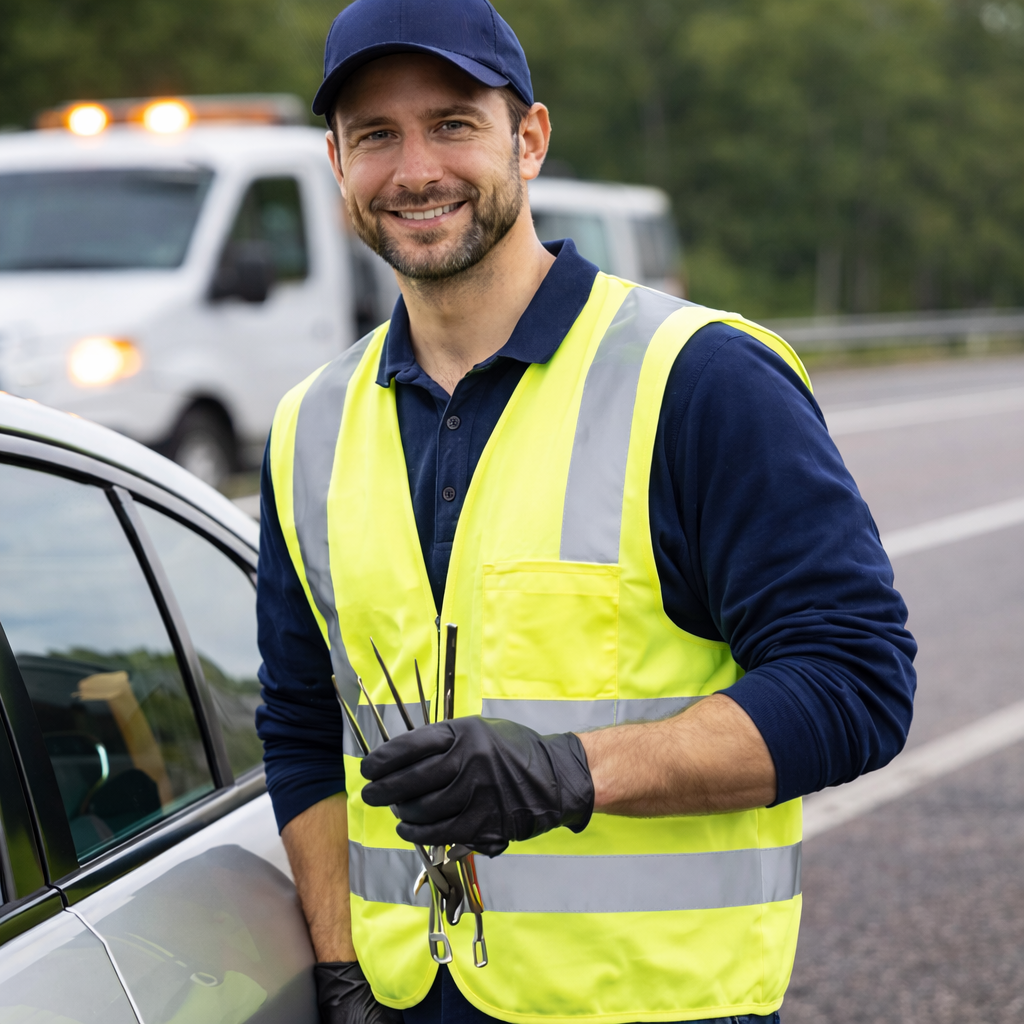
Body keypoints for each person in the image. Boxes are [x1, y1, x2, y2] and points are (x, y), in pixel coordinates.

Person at [255, 1, 917, 1022]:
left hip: (656, 1004)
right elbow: (303, 728)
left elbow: (854, 683)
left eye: (452, 123)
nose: (415, 168)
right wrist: (343, 970)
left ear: (528, 138)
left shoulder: (700, 378)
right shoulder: (309, 425)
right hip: (406, 1004)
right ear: (336, 163)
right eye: (376, 135)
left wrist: (568, 773)